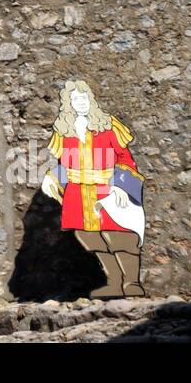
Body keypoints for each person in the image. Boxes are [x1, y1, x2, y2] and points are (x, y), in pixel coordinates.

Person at [40, 78, 145, 298]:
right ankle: (115, 281)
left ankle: (132, 283)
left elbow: (125, 159)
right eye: (76, 99)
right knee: (90, 238)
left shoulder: (108, 126)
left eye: (84, 98)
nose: (81, 103)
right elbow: (66, 164)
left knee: (119, 236)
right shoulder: (65, 132)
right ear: (69, 103)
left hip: (106, 189)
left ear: (91, 99)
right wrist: (52, 178)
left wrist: (120, 187)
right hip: (78, 192)